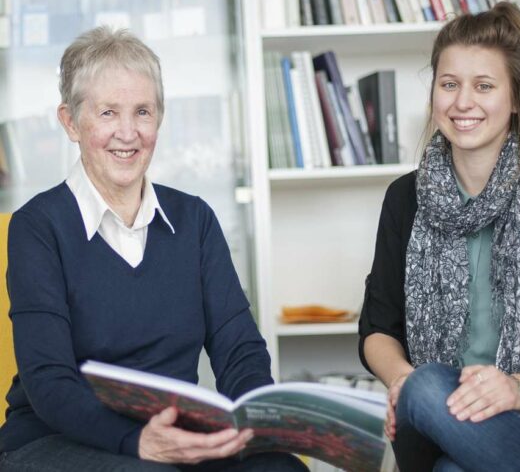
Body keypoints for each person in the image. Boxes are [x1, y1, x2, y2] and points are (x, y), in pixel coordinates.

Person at [0, 27, 307, 472]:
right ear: (70, 121)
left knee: (279, 468)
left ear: (159, 119)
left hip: (173, 434)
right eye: (107, 113)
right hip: (54, 440)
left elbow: (238, 349)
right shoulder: (38, 227)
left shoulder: (194, 220)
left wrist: (252, 423)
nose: (128, 133)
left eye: (142, 112)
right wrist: (137, 441)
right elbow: (49, 383)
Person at [358, 2, 520, 471]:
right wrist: (405, 384)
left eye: (484, 86)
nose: (462, 102)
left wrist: (514, 389)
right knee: (430, 389)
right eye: (449, 84)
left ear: (515, 98)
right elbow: (377, 328)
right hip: (439, 410)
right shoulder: (404, 200)